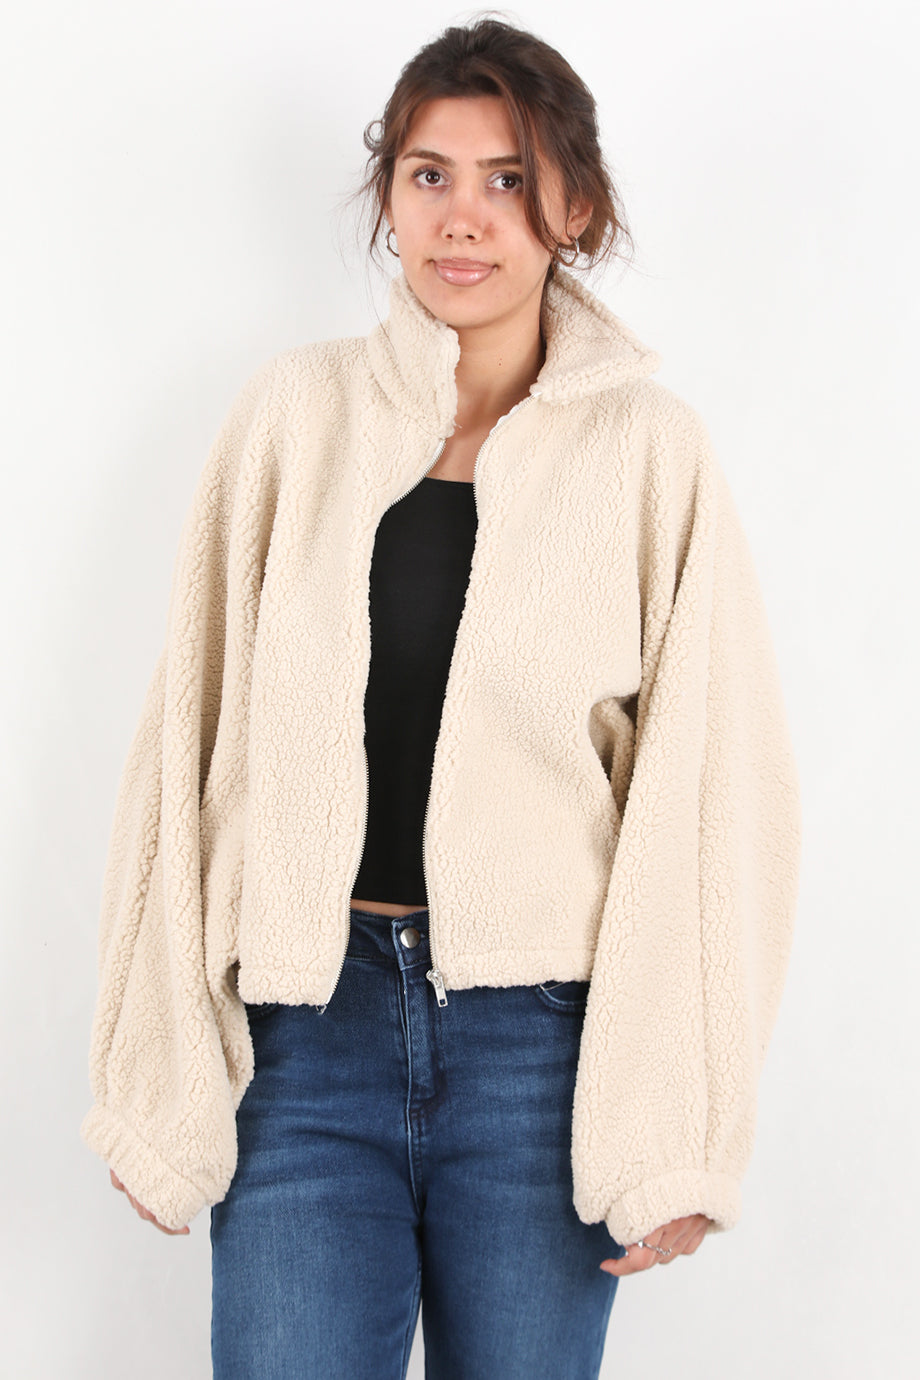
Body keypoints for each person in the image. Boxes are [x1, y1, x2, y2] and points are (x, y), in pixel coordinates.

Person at [82, 16, 801, 1379]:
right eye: (430, 175)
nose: (464, 217)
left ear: (573, 208)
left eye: (509, 179)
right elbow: (186, 745)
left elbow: (712, 797)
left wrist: (681, 1129)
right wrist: (157, 1071)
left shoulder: (649, 453)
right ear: (390, 198)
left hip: (539, 1056)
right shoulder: (294, 417)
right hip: (307, 1040)